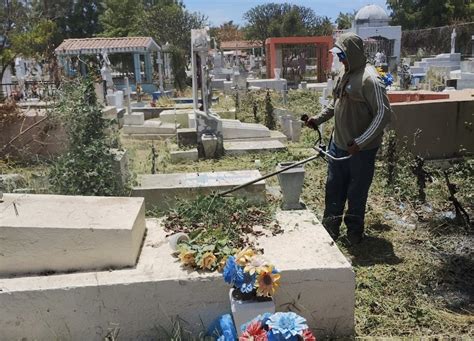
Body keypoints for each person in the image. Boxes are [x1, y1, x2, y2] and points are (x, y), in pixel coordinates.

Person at [305, 32, 391, 244]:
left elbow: (383, 114)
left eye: (342, 55)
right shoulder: (345, 73)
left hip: (360, 151)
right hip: (338, 146)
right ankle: (330, 229)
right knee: (333, 188)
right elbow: (336, 103)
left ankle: (354, 234)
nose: (340, 59)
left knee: (356, 193)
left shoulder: (370, 79)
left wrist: (361, 142)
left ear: (352, 53)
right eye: (339, 55)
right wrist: (318, 119)